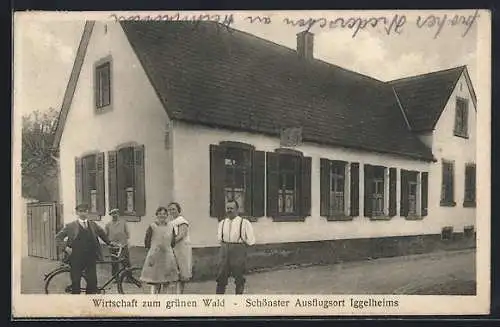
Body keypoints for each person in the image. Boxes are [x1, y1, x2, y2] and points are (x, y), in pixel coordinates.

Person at [55, 203, 117, 294]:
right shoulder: (70, 226)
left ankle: (89, 302)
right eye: (80, 211)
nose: (83, 213)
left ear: (88, 212)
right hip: (76, 258)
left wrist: (110, 243)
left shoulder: (93, 224)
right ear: (77, 213)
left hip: (90, 257)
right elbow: (58, 238)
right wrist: (66, 247)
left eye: (85, 211)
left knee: (92, 283)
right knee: (76, 283)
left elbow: (102, 234)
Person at [216, 199, 256, 295]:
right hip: (224, 250)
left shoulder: (244, 223)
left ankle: (238, 301)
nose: (229, 210)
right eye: (228, 208)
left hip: (238, 250)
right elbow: (219, 239)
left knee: (239, 277)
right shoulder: (222, 223)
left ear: (237, 209)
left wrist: (241, 246)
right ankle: (218, 301)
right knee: (221, 277)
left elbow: (251, 240)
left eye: (232, 208)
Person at [140, 206, 179, 294]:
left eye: (164, 214)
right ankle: (154, 299)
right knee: (155, 280)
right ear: (157, 215)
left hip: (167, 256)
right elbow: (147, 241)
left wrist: (168, 248)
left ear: (167, 215)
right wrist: (152, 252)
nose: (162, 216)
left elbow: (173, 242)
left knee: (166, 280)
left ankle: (164, 299)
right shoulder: (152, 226)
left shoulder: (170, 226)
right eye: (160, 214)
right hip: (155, 255)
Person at [167, 202, 192, 294]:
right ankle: (173, 293)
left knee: (181, 270)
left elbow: (181, 235)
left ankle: (179, 293)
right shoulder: (170, 223)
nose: (171, 211)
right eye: (169, 210)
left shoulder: (182, 221)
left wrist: (170, 242)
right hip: (173, 248)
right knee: (174, 270)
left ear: (178, 210)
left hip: (181, 248)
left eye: (173, 209)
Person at [105, 208, 131, 281]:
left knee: (126, 261)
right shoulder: (108, 225)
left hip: (123, 245)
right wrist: (110, 243)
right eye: (113, 214)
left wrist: (125, 242)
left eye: (116, 213)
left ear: (118, 214)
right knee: (114, 262)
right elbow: (105, 236)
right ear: (111, 215)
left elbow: (127, 234)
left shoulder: (123, 223)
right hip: (113, 246)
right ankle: (116, 278)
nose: (114, 215)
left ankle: (129, 277)